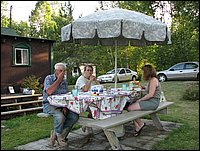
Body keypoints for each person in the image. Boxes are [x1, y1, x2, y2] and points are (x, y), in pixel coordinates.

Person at [43, 63, 79, 146]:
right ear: (55, 71)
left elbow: (65, 95)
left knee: (74, 116)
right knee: (60, 116)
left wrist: (65, 107)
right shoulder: (49, 78)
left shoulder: (65, 81)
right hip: (49, 104)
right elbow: (49, 91)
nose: (63, 73)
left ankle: (55, 133)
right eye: (61, 71)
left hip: (62, 105)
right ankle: (59, 137)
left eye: (64, 71)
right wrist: (58, 80)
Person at [127, 64, 161, 137]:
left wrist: (140, 100)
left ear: (146, 72)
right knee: (130, 106)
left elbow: (150, 95)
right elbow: (150, 90)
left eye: (143, 72)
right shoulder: (151, 80)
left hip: (153, 102)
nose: (142, 74)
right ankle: (137, 127)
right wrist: (144, 88)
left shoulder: (153, 80)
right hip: (151, 101)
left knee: (130, 108)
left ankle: (140, 124)